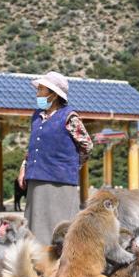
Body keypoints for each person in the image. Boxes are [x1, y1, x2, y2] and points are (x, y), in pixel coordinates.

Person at [18, 71, 93, 245]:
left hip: (60, 182)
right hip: (36, 178)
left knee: (59, 229)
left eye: (41, 90)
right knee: (34, 227)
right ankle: (38, 260)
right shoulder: (37, 116)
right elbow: (32, 147)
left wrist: (71, 165)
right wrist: (24, 166)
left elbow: (87, 145)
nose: (37, 94)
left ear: (54, 94)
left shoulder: (69, 117)